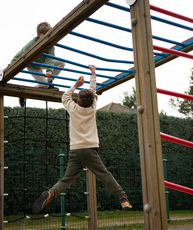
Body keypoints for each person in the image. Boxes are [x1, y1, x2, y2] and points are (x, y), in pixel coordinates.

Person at [32, 65, 132, 214]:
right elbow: (93, 90)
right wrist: (93, 73)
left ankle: (51, 193)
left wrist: (75, 85)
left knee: (65, 180)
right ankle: (122, 198)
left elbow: (65, 96)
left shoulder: (73, 108)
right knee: (104, 175)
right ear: (92, 101)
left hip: (75, 151)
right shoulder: (92, 108)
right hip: (90, 150)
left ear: (78, 101)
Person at [9, 22, 65, 107]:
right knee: (43, 85)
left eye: (48, 35)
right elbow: (19, 54)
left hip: (43, 62)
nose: (47, 37)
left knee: (61, 63)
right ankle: (24, 94)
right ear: (38, 34)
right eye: (45, 35)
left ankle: (50, 82)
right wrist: (9, 66)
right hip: (33, 65)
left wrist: (49, 71)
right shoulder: (32, 44)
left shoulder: (50, 43)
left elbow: (51, 58)